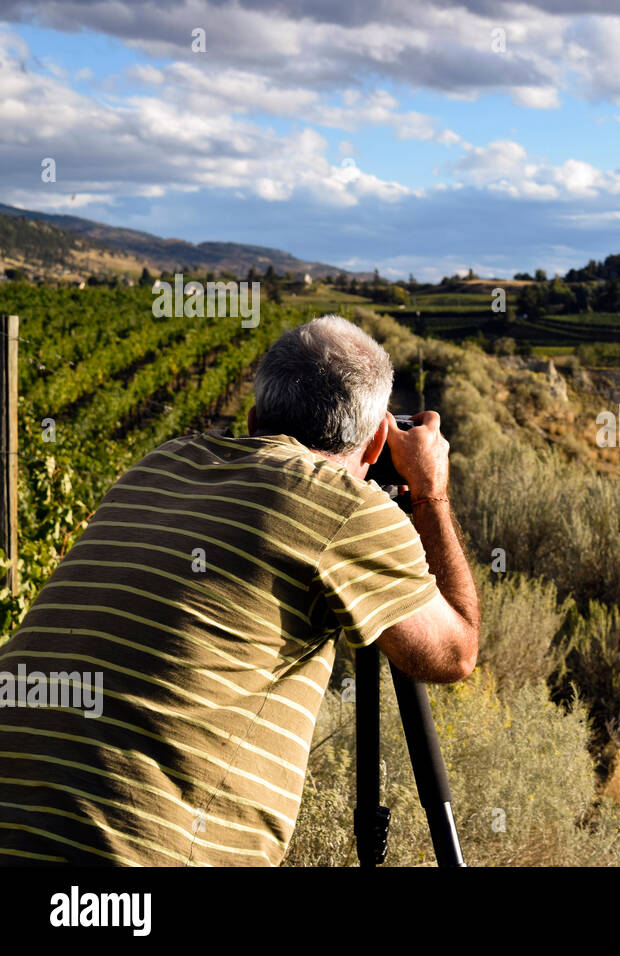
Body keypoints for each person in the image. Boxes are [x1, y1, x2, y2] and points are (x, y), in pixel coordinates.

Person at [0, 315, 479, 865]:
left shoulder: (159, 464)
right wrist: (430, 492)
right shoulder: (342, 508)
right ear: (376, 444)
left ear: (253, 420)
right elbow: (455, 652)